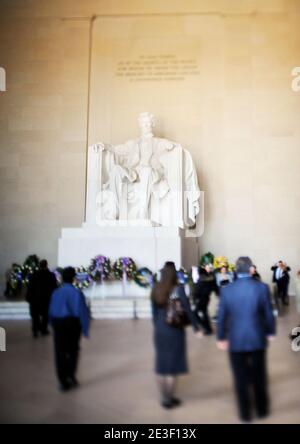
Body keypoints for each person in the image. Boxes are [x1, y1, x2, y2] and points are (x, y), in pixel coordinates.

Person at [217, 257, 276, 422]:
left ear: (235, 270)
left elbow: (221, 317)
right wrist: (270, 332)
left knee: (240, 378)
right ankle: (262, 410)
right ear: (251, 269)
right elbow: (268, 313)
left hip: (235, 339)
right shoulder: (262, 288)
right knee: (259, 375)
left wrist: (221, 337)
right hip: (257, 336)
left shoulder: (227, 290)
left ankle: (245, 413)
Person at [151, 262, 202, 409]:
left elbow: (153, 312)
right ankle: (169, 399)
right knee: (171, 367)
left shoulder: (155, 288)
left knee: (162, 365)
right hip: (174, 330)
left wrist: (158, 326)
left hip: (160, 329)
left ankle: (163, 397)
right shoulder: (178, 290)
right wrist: (196, 328)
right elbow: (187, 309)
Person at [49, 267, 90, 392]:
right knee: (73, 351)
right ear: (73, 279)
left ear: (62, 278)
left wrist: (52, 324)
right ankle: (71, 376)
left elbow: (51, 310)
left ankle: (62, 381)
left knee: (59, 352)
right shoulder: (77, 293)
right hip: (73, 324)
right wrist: (85, 329)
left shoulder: (56, 292)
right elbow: (83, 312)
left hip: (59, 324)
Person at [26, 259, 57, 337]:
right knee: (45, 316)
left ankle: (35, 331)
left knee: (35, 316)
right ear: (46, 265)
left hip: (35, 299)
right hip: (46, 299)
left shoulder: (34, 274)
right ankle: (43, 330)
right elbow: (54, 287)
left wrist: (29, 297)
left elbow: (30, 287)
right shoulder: (51, 275)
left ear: (39, 265)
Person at [193, 264, 218, 334]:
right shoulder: (210, 279)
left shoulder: (201, 279)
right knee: (204, 313)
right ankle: (208, 329)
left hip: (201, 299)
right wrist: (218, 294)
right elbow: (215, 288)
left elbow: (197, 290)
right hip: (206, 298)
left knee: (195, 313)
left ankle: (205, 327)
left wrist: (195, 298)